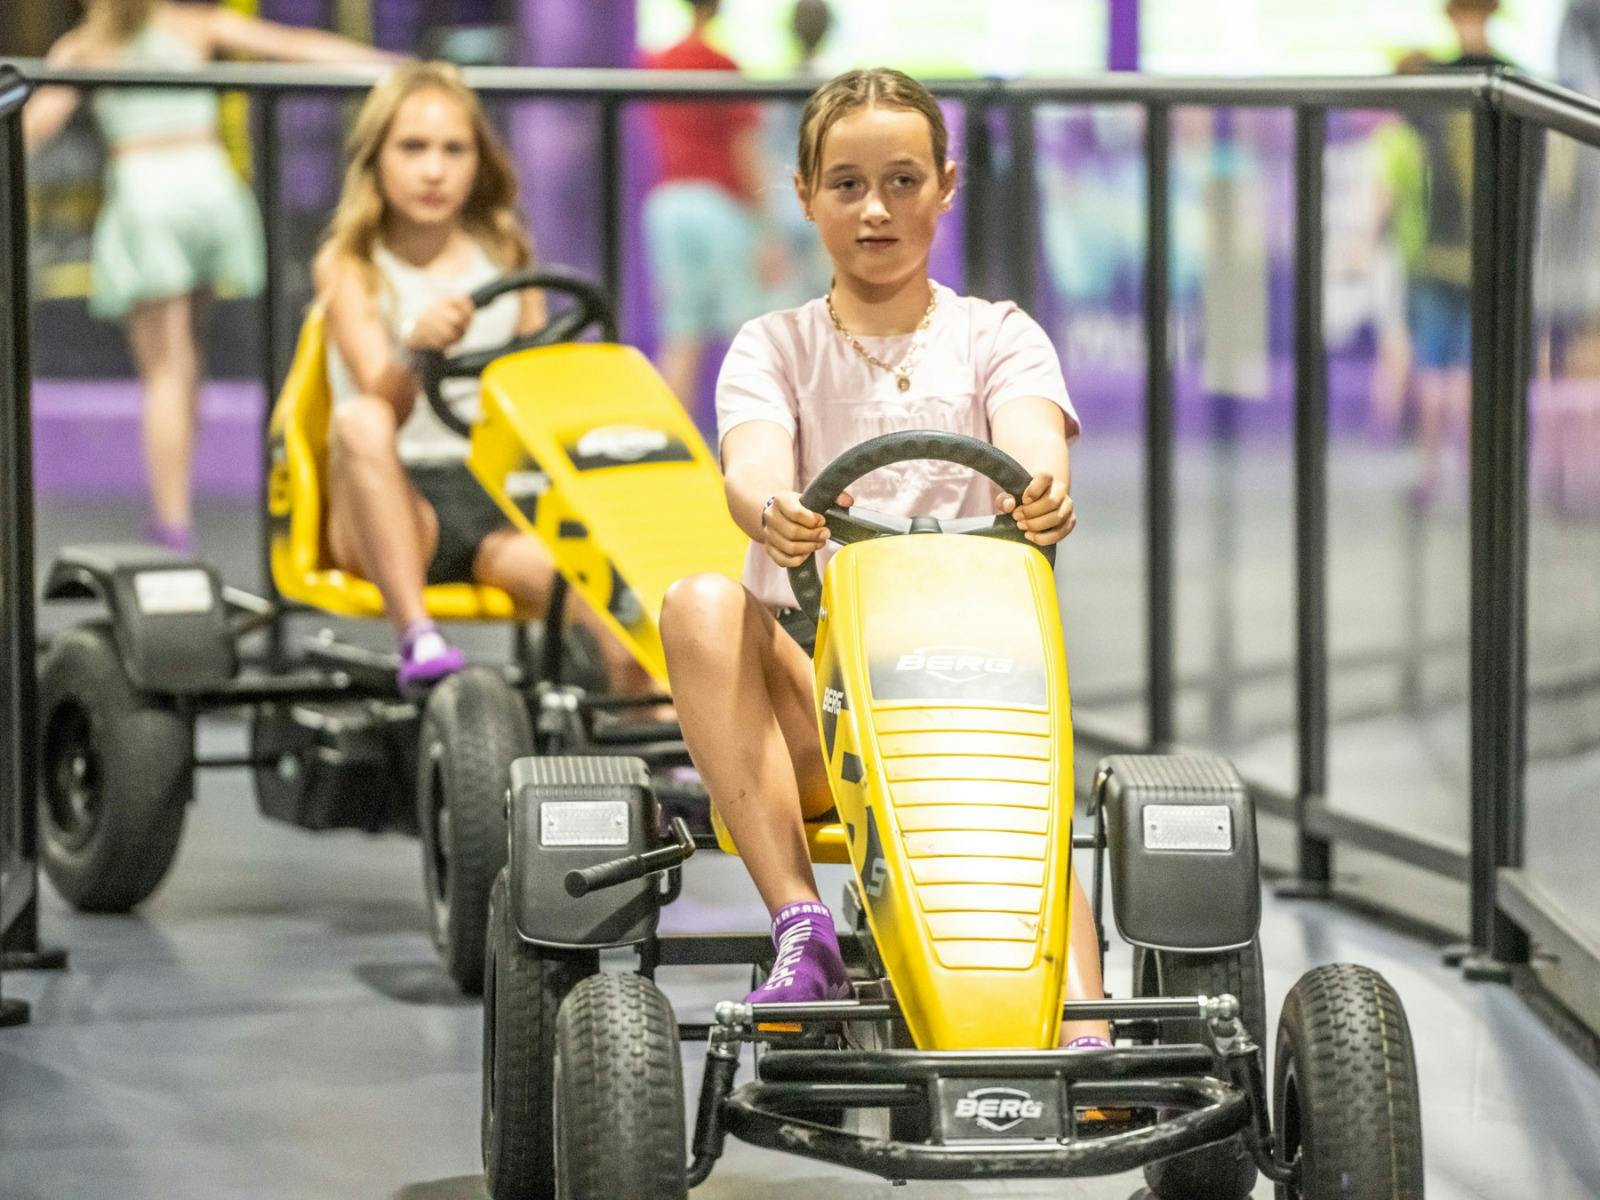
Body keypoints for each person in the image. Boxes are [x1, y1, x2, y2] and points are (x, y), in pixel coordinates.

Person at [658, 68, 1109, 1045]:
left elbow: (1033, 437)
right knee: (699, 602)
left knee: (1014, 781)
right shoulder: (773, 347)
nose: (875, 210)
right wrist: (771, 508)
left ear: (945, 187)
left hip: (969, 688)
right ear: (805, 196)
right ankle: (802, 926)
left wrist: (1039, 486)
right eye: (848, 185)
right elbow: (752, 461)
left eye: (903, 182)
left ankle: (1083, 1021)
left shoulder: (998, 335)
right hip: (818, 696)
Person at [315, 62, 647, 696]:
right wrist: (415, 351)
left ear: (478, 161)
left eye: (453, 150)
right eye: (413, 148)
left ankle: (655, 719)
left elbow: (537, 389)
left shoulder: (505, 251)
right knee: (359, 419)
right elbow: (381, 406)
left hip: (494, 503)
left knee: (616, 605)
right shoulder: (351, 264)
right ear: (377, 158)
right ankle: (418, 636)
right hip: (394, 500)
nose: (433, 171)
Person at [21, 0, 393, 554]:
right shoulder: (186, 25)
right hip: (209, 186)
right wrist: (394, 67)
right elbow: (296, 46)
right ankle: (174, 513)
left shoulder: (86, 47)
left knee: (166, 370)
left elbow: (32, 126)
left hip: (148, 190)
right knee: (185, 362)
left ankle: (172, 524)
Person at [642, 0, 771, 423]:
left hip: (668, 206)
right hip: (720, 207)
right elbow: (745, 148)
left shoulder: (659, 63)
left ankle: (669, 442)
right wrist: (767, 228)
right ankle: (756, 438)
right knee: (747, 334)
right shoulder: (723, 66)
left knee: (681, 333)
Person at [1407, 0, 1509, 502]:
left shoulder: (1434, 83)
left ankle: (1436, 476)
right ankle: (1472, 479)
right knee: (1464, 371)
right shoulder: (1512, 82)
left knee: (1442, 370)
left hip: (1445, 247)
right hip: (1482, 248)